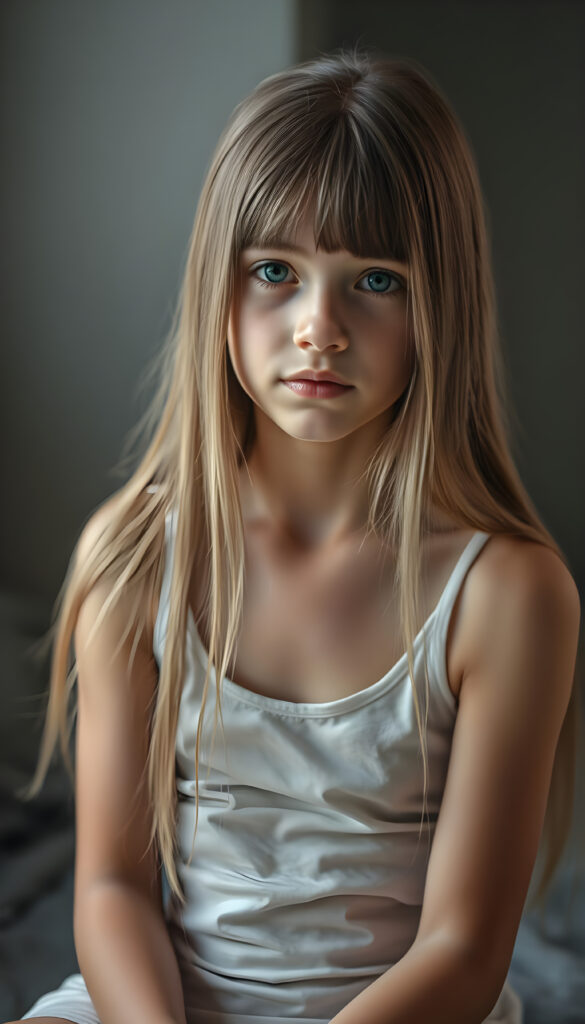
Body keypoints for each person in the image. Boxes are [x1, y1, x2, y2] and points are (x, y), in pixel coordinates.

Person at [7, 47, 580, 1024]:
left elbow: (467, 945)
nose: (319, 326)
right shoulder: (137, 559)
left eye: (376, 280)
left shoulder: (507, 595)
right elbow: (110, 888)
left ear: (442, 303)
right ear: (216, 289)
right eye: (276, 270)